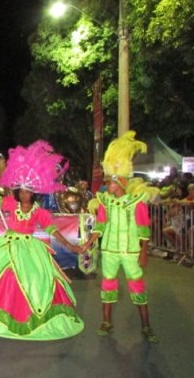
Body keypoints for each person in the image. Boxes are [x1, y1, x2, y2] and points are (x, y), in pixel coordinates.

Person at [0, 141, 84, 340]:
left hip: (30, 249)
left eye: (28, 191)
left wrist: (70, 245)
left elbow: (53, 230)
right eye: (22, 191)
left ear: (34, 193)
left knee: (33, 282)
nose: (25, 194)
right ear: (18, 192)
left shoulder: (40, 212)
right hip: (7, 245)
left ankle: (22, 316)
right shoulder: (11, 202)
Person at [82, 131, 158, 343]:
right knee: (108, 285)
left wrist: (144, 253)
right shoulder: (105, 201)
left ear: (122, 181)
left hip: (131, 251)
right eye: (107, 181)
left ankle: (146, 326)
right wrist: (88, 243)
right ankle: (106, 322)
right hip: (109, 251)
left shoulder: (137, 202)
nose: (107, 185)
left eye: (111, 181)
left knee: (137, 287)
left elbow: (144, 229)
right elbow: (101, 226)